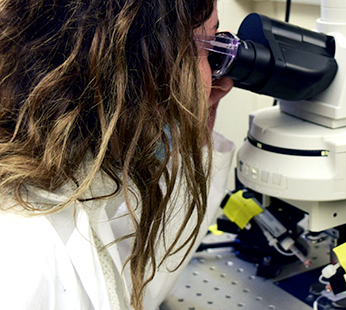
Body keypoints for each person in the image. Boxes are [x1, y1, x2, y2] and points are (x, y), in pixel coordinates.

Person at [0, 0, 234, 309]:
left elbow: (128, 283)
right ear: (145, 65)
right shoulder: (25, 257)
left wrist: (197, 126)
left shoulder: (73, 173)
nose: (215, 74)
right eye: (206, 48)